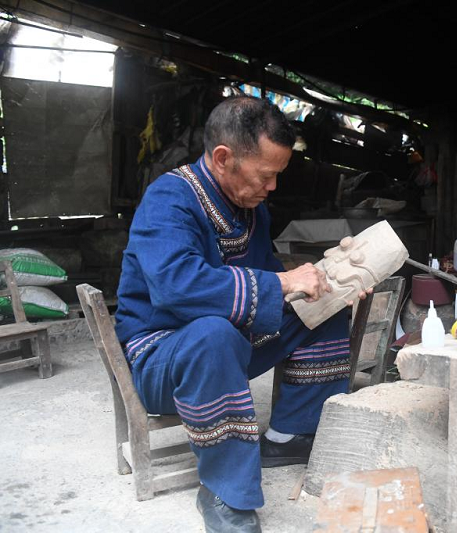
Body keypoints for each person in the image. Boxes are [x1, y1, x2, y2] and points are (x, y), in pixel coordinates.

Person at [115, 96, 368, 533]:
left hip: (231, 339)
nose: (272, 187)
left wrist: (327, 280)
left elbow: (269, 276)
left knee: (325, 305)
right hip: (164, 359)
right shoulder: (168, 200)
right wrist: (284, 283)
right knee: (213, 334)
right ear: (222, 158)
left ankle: (289, 434)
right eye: (266, 175)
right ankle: (224, 491)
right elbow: (175, 286)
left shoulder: (252, 208)